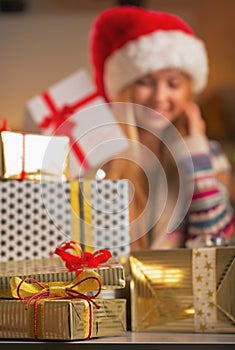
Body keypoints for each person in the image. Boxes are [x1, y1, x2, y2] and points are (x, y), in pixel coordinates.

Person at [88, 5, 234, 250]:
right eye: (145, 83)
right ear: (125, 89)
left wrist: (196, 154)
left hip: (184, 287)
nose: (159, 96)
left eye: (173, 84)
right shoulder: (101, 156)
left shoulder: (208, 155)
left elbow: (217, 242)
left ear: (187, 91)